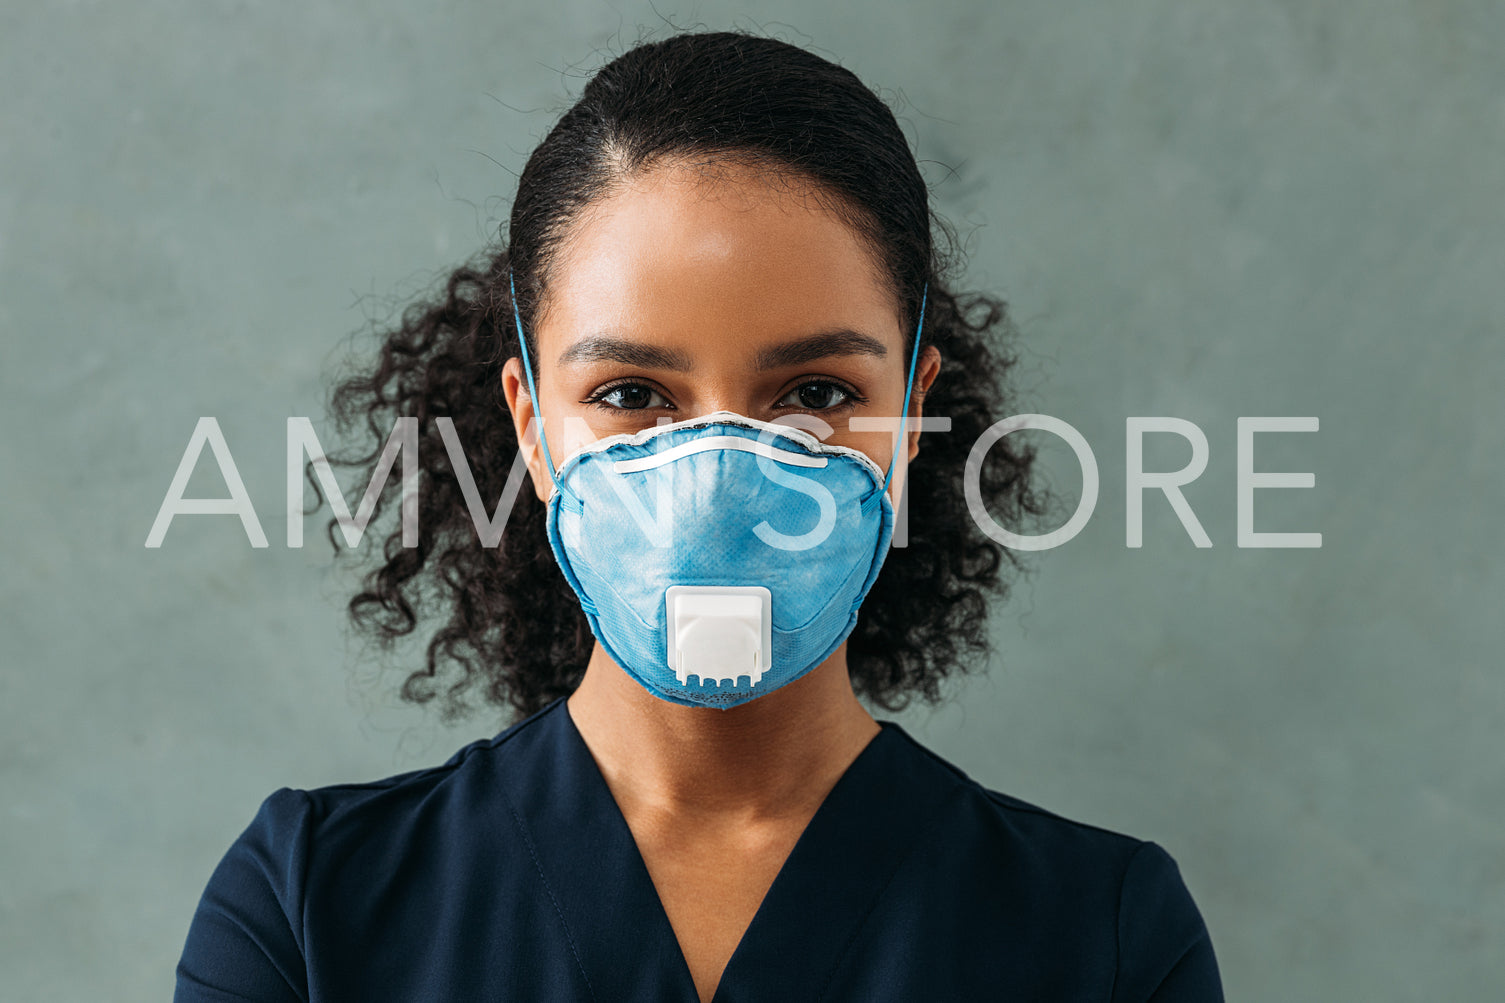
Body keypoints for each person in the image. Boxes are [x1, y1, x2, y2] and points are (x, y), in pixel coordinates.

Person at [174, 29, 1225, 1002]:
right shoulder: (308, 910)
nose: (719, 483)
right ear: (532, 428)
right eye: (631, 395)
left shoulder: (1104, 938)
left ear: (912, 413)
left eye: (814, 394)